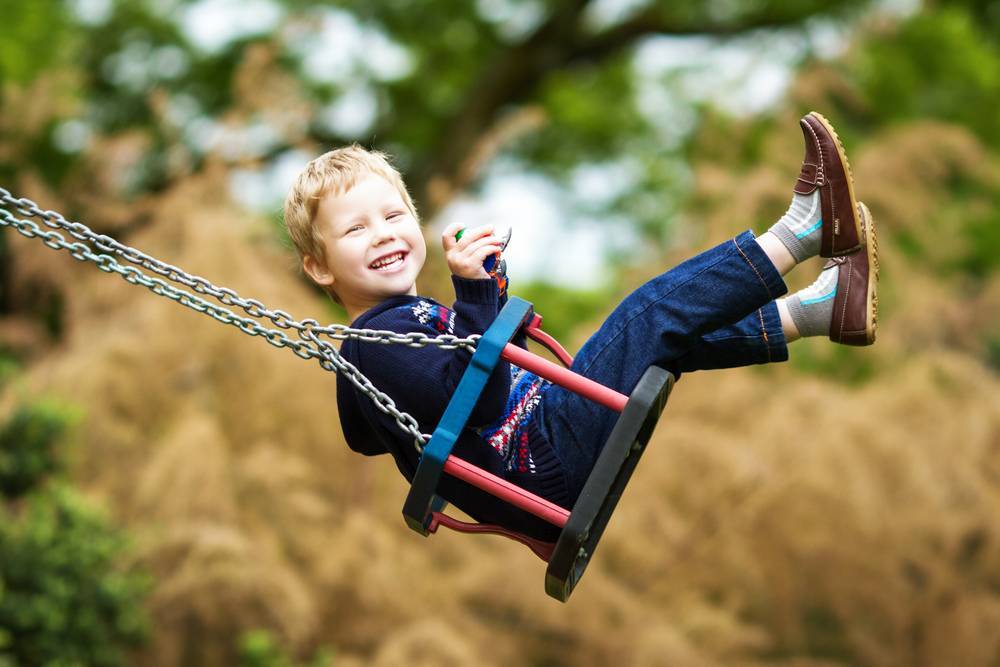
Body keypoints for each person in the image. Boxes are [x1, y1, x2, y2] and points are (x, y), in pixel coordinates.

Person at [282, 112, 878, 542]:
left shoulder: (403, 332)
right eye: (355, 229)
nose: (384, 232)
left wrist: (487, 288)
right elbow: (483, 403)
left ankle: (817, 311)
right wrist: (471, 294)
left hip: (540, 455)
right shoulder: (372, 344)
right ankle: (802, 232)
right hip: (542, 464)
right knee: (649, 314)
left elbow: (395, 420)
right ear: (317, 265)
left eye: (393, 215)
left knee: (663, 343)